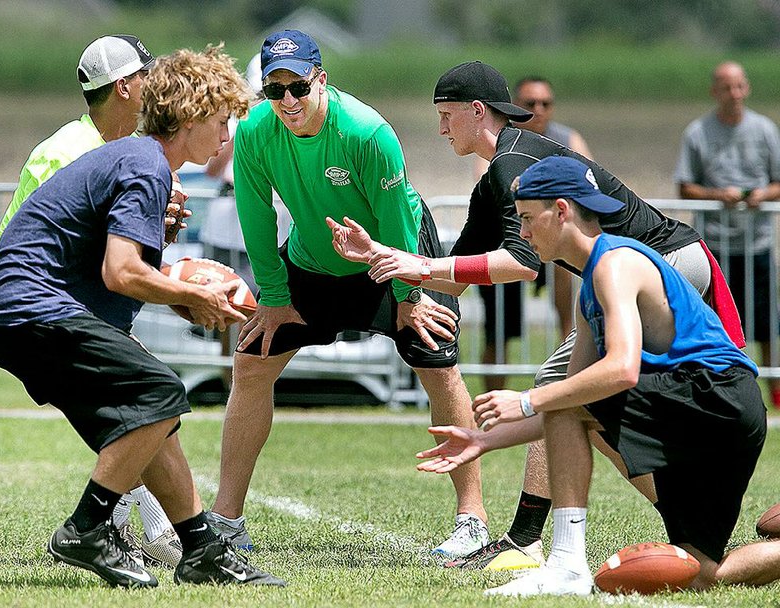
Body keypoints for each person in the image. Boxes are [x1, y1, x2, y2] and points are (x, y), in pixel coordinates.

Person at [328, 61, 741, 572]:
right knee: (592, 410)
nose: (440, 128)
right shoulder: (496, 176)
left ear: (476, 111)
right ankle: (687, 520)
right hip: (660, 264)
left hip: (669, 261)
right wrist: (380, 256)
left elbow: (520, 265)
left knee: (564, 389)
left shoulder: (510, 165)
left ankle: (528, 540)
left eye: (446, 115)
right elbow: (458, 277)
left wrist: (422, 263)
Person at [0, 45, 285, 588]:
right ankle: (87, 527)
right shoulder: (146, 164)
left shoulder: (141, 160)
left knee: (152, 419)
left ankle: (200, 548)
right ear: (189, 117)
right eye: (220, 121)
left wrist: (181, 275)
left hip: (18, 309)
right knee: (160, 391)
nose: (226, 136)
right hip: (30, 305)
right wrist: (196, 298)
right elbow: (122, 273)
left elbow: (118, 264)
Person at [417, 155, 779, 597]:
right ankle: (569, 566)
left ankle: (567, 565)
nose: (523, 233)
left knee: (562, 399)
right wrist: (483, 441)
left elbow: (621, 370)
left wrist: (528, 400)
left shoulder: (616, 263)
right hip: (724, 412)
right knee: (700, 572)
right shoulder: (591, 283)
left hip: (715, 394)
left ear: (562, 211)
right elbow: (569, 404)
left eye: (528, 218)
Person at [208, 30, 489, 559]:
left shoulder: (366, 132)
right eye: (275, 89)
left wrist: (408, 295)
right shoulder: (253, 132)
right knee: (251, 363)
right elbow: (255, 213)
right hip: (313, 260)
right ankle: (225, 521)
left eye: (297, 86)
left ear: (321, 79)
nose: (287, 100)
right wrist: (272, 294)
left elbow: (397, 216)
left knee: (439, 365)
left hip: (390, 253)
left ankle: (471, 520)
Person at [0, 34, 185, 569]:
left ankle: (144, 528)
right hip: (31, 302)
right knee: (146, 396)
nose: (158, 88)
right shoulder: (68, 151)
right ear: (125, 87)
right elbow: (74, 248)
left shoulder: (117, 149)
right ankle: (149, 532)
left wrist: (154, 225)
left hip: (57, 299)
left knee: (137, 403)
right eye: (148, 76)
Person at [475, 76, 591, 391]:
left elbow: (590, 182)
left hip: (557, 245)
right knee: (498, 329)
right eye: (530, 104)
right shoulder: (499, 140)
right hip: (510, 241)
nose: (538, 110)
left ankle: (569, 389)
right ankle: (492, 405)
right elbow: (487, 184)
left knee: (572, 318)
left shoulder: (568, 139)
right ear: (515, 107)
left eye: (545, 103)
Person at [675, 60, 780, 407]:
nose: (733, 94)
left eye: (739, 86)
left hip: (757, 243)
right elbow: (685, 186)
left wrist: (763, 194)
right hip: (714, 246)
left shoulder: (765, 129)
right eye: (726, 87)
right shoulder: (697, 132)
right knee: (716, 323)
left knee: (766, 325)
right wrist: (718, 195)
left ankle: (775, 394)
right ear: (714, 91)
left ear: (746, 88)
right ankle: (720, 390)